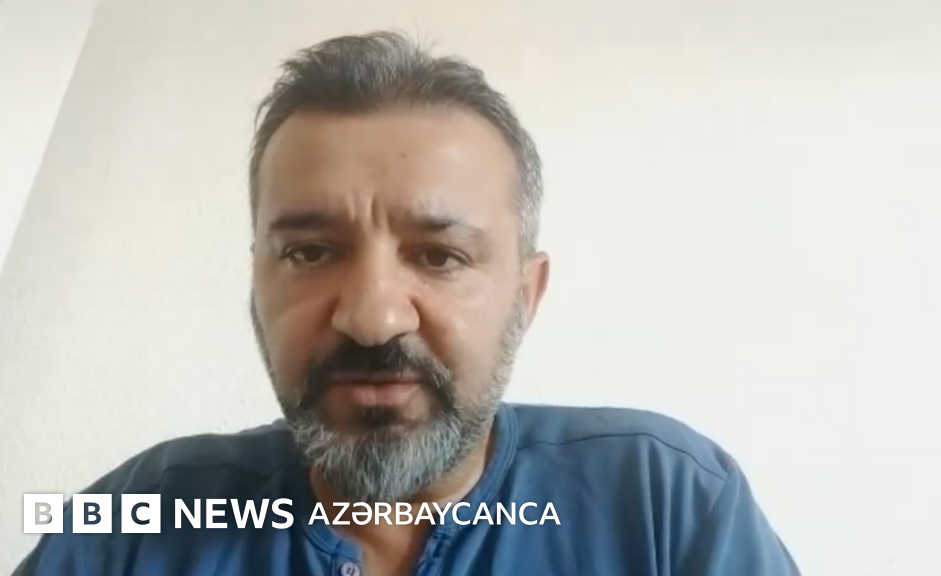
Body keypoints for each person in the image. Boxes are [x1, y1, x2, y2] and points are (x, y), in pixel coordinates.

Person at [13, 31, 801, 576]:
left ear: (525, 295)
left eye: (440, 255)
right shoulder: (131, 523)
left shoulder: (669, 508)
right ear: (257, 282)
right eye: (310, 252)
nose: (373, 317)